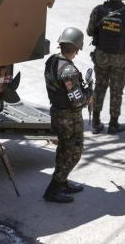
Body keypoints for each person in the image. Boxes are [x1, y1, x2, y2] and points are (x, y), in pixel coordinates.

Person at [43, 27, 92, 203]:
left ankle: (62, 182)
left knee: (64, 149)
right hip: (69, 118)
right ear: (77, 48)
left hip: (57, 112)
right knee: (73, 152)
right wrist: (89, 93)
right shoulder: (69, 71)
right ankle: (54, 189)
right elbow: (78, 101)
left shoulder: (52, 61)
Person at [87, 0, 125, 134]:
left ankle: (96, 123)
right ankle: (113, 124)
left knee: (99, 87)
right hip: (121, 59)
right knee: (117, 91)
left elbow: (90, 31)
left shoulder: (98, 11)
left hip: (101, 56)